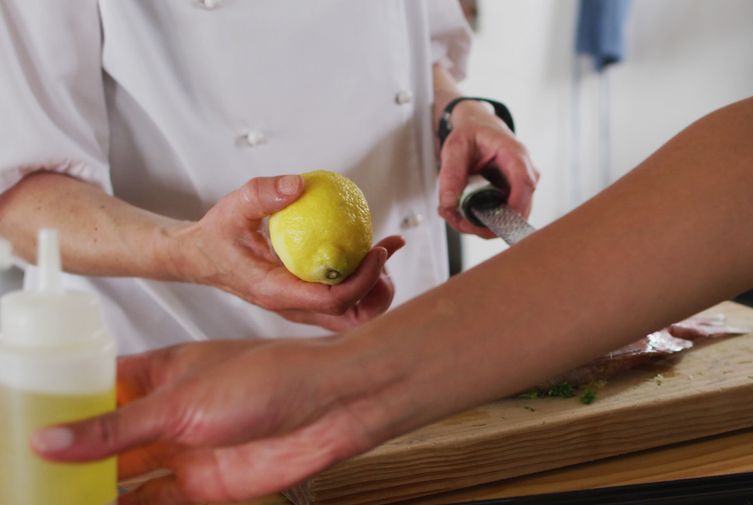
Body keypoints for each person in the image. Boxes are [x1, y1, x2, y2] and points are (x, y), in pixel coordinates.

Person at [32, 0, 753, 505]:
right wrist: (342, 383)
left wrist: (459, 105)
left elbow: (427, 37)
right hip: (194, 376)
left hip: (420, 367)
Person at [0, 0, 539, 352]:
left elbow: (416, 53)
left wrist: (456, 111)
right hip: (184, 364)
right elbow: (23, 198)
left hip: (408, 348)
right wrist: (192, 253)